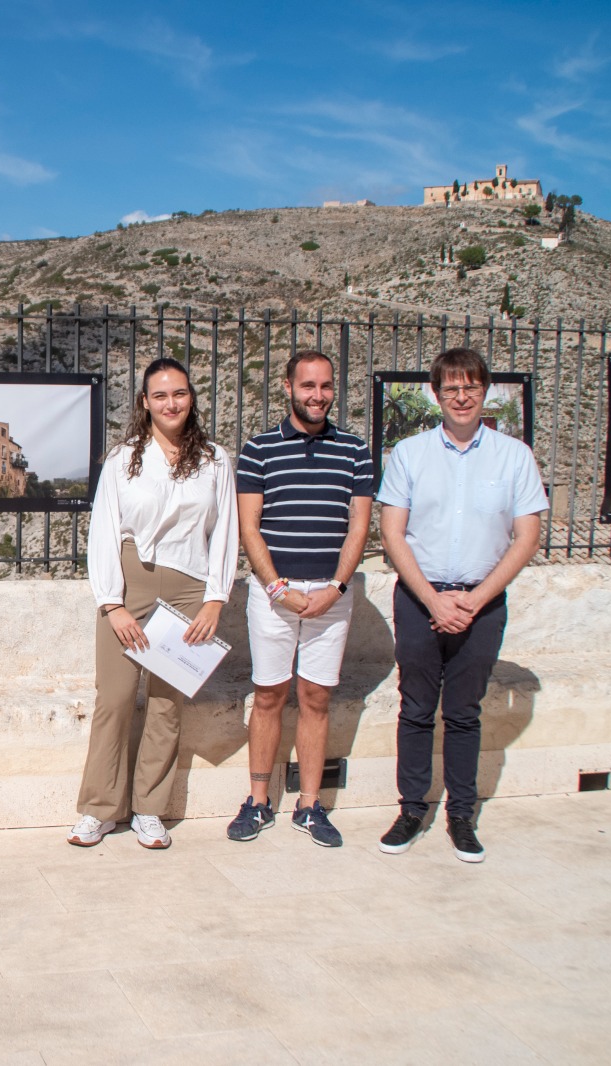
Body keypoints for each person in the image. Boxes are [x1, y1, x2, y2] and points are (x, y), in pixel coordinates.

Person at [376, 348, 546, 862]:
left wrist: (474, 600)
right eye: (451, 388)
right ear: (436, 394)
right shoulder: (409, 454)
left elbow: (526, 537)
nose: (462, 396)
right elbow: (392, 532)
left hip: (482, 600)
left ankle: (461, 816)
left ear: (485, 390)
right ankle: (411, 810)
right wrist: (433, 599)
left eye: (471, 386)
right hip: (419, 597)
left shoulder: (514, 457)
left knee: (465, 712)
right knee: (417, 708)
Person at [69, 357, 238, 849]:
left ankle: (149, 810)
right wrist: (111, 603)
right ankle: (99, 809)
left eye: (179, 393)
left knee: (167, 704)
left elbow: (225, 530)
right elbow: (102, 530)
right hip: (131, 582)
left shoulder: (214, 460)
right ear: (145, 402)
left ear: (191, 398)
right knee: (115, 701)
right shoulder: (123, 459)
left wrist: (215, 599)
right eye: (160, 395)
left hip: (189, 585)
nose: (171, 403)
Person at [228, 351, 372, 848]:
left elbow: (359, 525)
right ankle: (258, 801)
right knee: (268, 695)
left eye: (326, 386)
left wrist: (334, 588)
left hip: (332, 597)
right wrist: (278, 590)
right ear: (287, 387)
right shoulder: (258, 450)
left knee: (316, 697)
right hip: (275, 595)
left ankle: (310, 807)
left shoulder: (355, 450)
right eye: (308, 385)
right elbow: (249, 527)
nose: (317, 395)